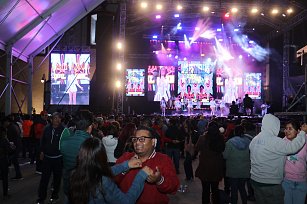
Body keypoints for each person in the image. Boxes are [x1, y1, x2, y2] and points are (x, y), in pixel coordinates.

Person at [68, 137, 153, 204]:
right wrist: (141, 176)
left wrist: (126, 165)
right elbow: (126, 202)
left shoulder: (75, 173)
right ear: (102, 157)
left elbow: (101, 172)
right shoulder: (103, 182)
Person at [249, 114, 307, 204]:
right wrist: (303, 133)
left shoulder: (255, 140)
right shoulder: (275, 141)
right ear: (274, 125)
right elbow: (293, 147)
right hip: (270, 184)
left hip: (255, 181)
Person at [115, 126, 180, 204]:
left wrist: (159, 180)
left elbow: (173, 187)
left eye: (142, 139)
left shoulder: (163, 159)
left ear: (153, 141)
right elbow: (110, 180)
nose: (137, 142)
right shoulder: (126, 158)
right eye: (135, 139)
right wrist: (124, 169)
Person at [60, 110, 94, 198]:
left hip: (68, 184)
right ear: (90, 127)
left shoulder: (64, 142)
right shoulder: (94, 144)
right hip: (86, 187)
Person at [36, 112, 64, 204]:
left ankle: (54, 195)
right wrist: (41, 151)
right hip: (47, 158)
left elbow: (65, 144)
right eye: (55, 118)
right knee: (44, 179)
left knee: (57, 179)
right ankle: (41, 198)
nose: (57, 120)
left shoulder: (64, 130)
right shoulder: (46, 128)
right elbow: (42, 141)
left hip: (58, 158)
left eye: (59, 118)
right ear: (51, 119)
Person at [195, 121, 225, 204]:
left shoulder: (202, 138)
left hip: (205, 167)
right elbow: (223, 149)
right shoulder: (221, 138)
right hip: (216, 167)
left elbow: (197, 148)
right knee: (215, 189)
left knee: (205, 190)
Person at [223, 125, 251, 204]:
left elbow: (225, 156)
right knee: (242, 188)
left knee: (234, 190)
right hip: (245, 170)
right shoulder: (248, 142)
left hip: (233, 170)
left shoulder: (230, 142)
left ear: (235, 132)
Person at [282, 120, 307, 204]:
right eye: (286, 128)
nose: (287, 131)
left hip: (301, 181)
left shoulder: (305, 141)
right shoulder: (282, 143)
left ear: (298, 131)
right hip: (287, 182)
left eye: (290, 128)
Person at [0, 126, 14, 199]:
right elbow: (10, 150)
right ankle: (5, 193)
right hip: (3, 160)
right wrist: (12, 146)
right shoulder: (4, 139)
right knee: (5, 178)